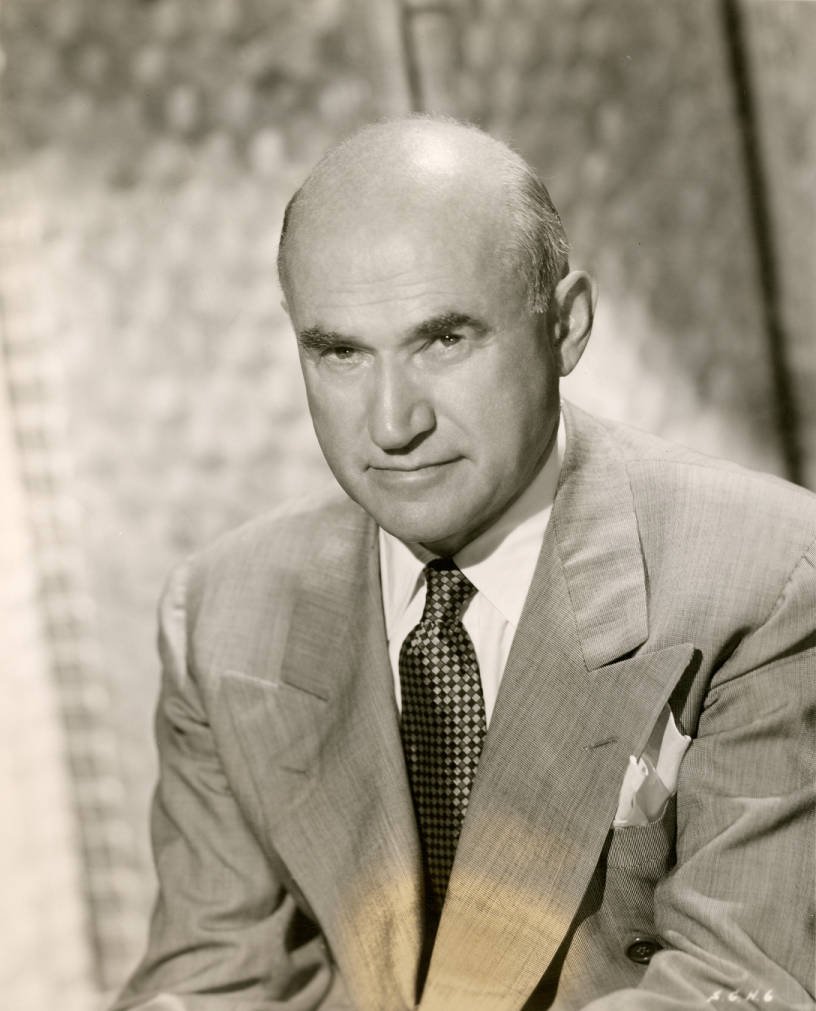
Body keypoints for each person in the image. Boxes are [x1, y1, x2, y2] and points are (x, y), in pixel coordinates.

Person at [113, 117, 816, 1011]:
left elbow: (738, 982)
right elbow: (216, 976)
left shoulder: (767, 579)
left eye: (444, 341)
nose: (393, 422)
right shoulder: (223, 613)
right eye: (340, 352)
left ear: (566, 327)